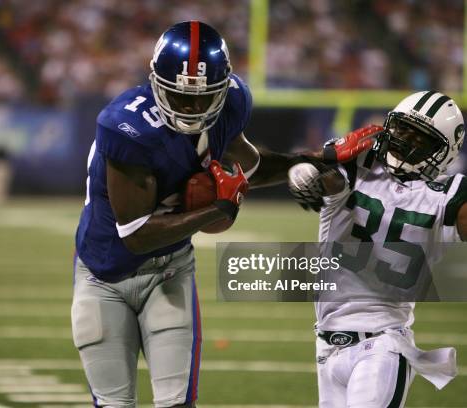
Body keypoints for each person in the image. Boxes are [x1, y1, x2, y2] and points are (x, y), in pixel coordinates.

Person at [71, 20, 360, 407]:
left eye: (204, 97)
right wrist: (217, 209)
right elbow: (135, 232)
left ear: (223, 89)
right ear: (156, 83)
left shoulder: (231, 105)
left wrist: (303, 164)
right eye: (181, 96)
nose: (192, 107)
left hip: (170, 270)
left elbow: (250, 166)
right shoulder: (127, 126)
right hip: (103, 274)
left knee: (177, 403)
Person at [288, 90, 465, 407]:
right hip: (328, 344)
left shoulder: (450, 195)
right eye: (403, 129)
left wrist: (312, 165)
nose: (404, 141)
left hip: (383, 345)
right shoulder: (359, 165)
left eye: (420, 137)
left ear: (444, 151)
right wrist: (310, 166)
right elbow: (321, 177)